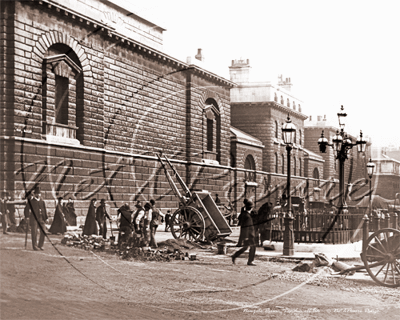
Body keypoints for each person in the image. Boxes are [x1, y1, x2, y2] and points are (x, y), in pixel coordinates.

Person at [231, 200, 257, 266]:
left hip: (247, 235)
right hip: (249, 235)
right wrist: (246, 237)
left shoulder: (244, 214)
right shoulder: (248, 216)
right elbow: (247, 227)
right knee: (253, 247)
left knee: (245, 247)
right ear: (251, 208)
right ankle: (250, 261)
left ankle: (234, 256)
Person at [29, 186, 48, 251]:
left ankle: (40, 245)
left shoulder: (42, 201)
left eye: (39, 193)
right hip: (34, 218)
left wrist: (46, 218)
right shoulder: (31, 201)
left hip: (41, 218)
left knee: (43, 231)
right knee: (34, 232)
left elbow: (44, 210)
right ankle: (34, 246)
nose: (38, 194)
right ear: (35, 194)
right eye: (37, 193)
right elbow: (26, 209)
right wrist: (26, 217)